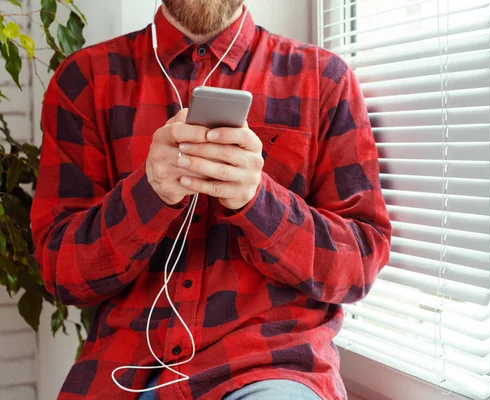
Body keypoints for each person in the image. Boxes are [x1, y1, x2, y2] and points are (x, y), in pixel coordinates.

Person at [30, 0, 391, 398]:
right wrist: (149, 194)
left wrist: (259, 202)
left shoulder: (322, 79)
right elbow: (62, 275)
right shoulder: (85, 80)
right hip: (125, 374)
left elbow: (360, 263)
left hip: (269, 368)